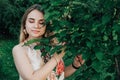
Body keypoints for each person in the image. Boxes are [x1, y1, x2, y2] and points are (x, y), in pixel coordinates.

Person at [12, 4, 85, 80]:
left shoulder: (51, 46)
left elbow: (58, 74)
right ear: (24, 25)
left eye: (41, 22)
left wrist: (75, 65)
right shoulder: (19, 49)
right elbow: (31, 78)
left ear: (46, 26)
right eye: (31, 21)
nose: (36, 26)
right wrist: (56, 57)